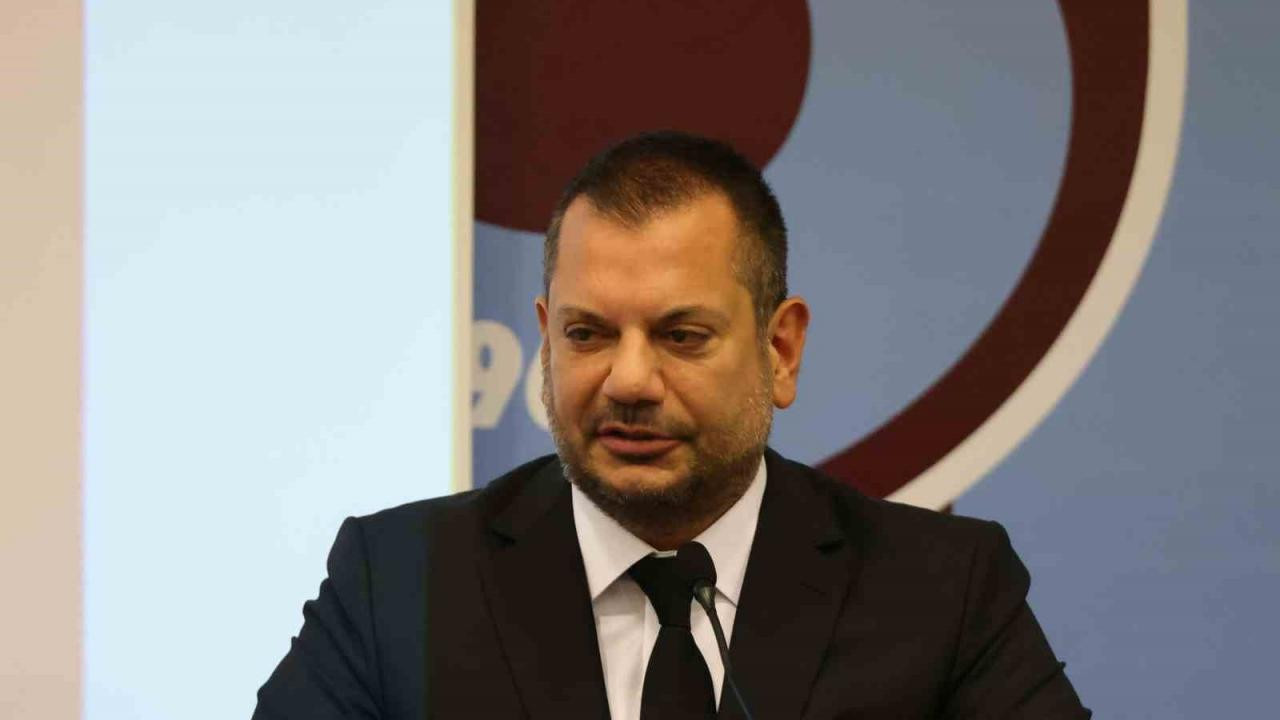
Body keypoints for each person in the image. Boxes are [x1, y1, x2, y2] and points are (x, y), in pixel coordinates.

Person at [253, 131, 1090, 719]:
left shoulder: (940, 593)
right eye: (587, 334)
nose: (628, 381)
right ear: (545, 338)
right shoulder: (397, 585)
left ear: (780, 349)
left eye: (681, 336)